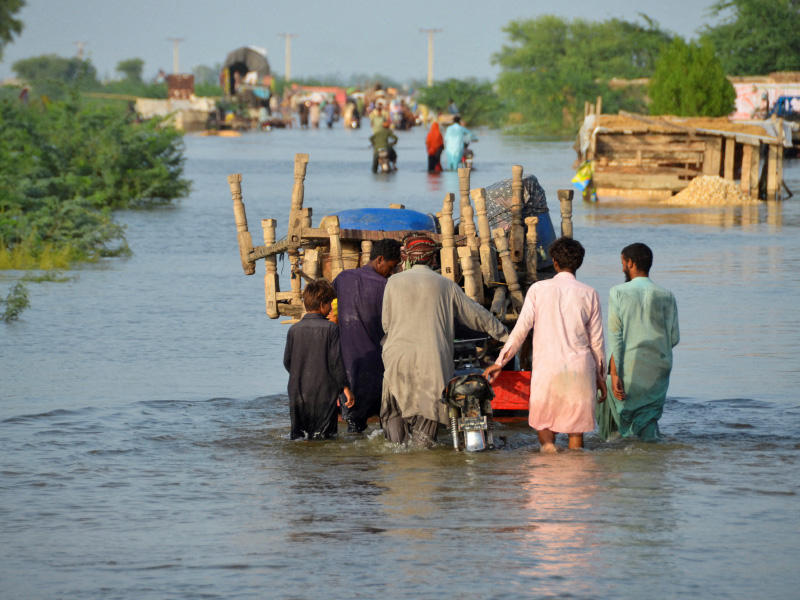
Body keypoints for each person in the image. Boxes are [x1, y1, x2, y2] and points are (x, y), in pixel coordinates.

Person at [381, 234, 509, 447]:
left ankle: (397, 455)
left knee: (395, 411)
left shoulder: (393, 282)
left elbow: (386, 324)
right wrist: (506, 335)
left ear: (408, 258)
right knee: (428, 417)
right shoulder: (445, 285)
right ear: (433, 259)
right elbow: (477, 315)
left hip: (397, 358)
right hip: (432, 361)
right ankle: (424, 459)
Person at [484, 237, 607, 452]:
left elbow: (520, 331)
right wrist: (600, 377)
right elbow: (596, 343)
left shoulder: (538, 290)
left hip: (547, 370)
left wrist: (500, 362)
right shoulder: (590, 294)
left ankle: (547, 468)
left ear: (554, 262)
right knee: (576, 437)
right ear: (579, 263)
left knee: (545, 431)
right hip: (579, 369)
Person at [597, 243, 679, 441]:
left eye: (623, 263)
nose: (622, 268)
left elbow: (616, 336)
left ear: (631, 263)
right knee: (649, 416)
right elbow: (674, 338)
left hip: (629, 365)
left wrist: (614, 373)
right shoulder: (666, 295)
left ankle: (620, 450)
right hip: (659, 366)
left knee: (611, 402)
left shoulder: (618, 292)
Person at [333, 239, 402, 433]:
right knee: (387, 423)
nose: (392, 271)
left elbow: (330, 306)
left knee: (354, 426)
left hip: (348, 367)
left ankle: (357, 460)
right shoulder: (387, 287)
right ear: (380, 260)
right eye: (391, 266)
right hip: (377, 366)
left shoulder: (343, 278)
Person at [283, 280, 354, 440]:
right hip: (324, 393)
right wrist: (345, 388)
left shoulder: (294, 330)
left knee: (299, 437)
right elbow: (336, 362)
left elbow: (287, 362)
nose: (330, 309)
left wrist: (301, 375)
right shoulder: (331, 329)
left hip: (297, 392)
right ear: (322, 304)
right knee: (325, 438)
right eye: (329, 303)